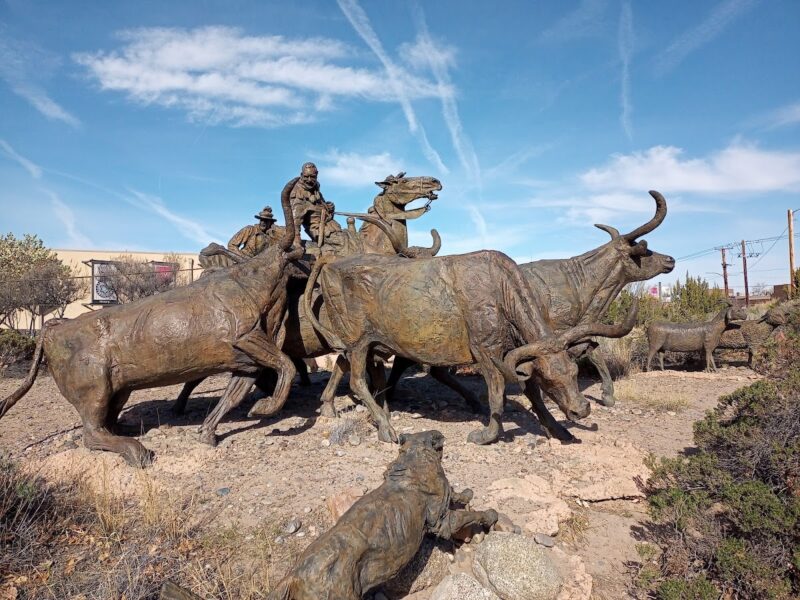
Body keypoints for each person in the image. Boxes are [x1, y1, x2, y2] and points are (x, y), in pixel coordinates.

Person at [290, 162, 341, 246]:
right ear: (301, 175)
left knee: (351, 238)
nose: (309, 180)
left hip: (331, 226)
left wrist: (329, 208)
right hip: (319, 231)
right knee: (344, 242)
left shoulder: (315, 189)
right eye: (306, 177)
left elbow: (322, 209)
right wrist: (296, 241)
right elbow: (295, 221)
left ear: (317, 175)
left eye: (312, 177)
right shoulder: (298, 193)